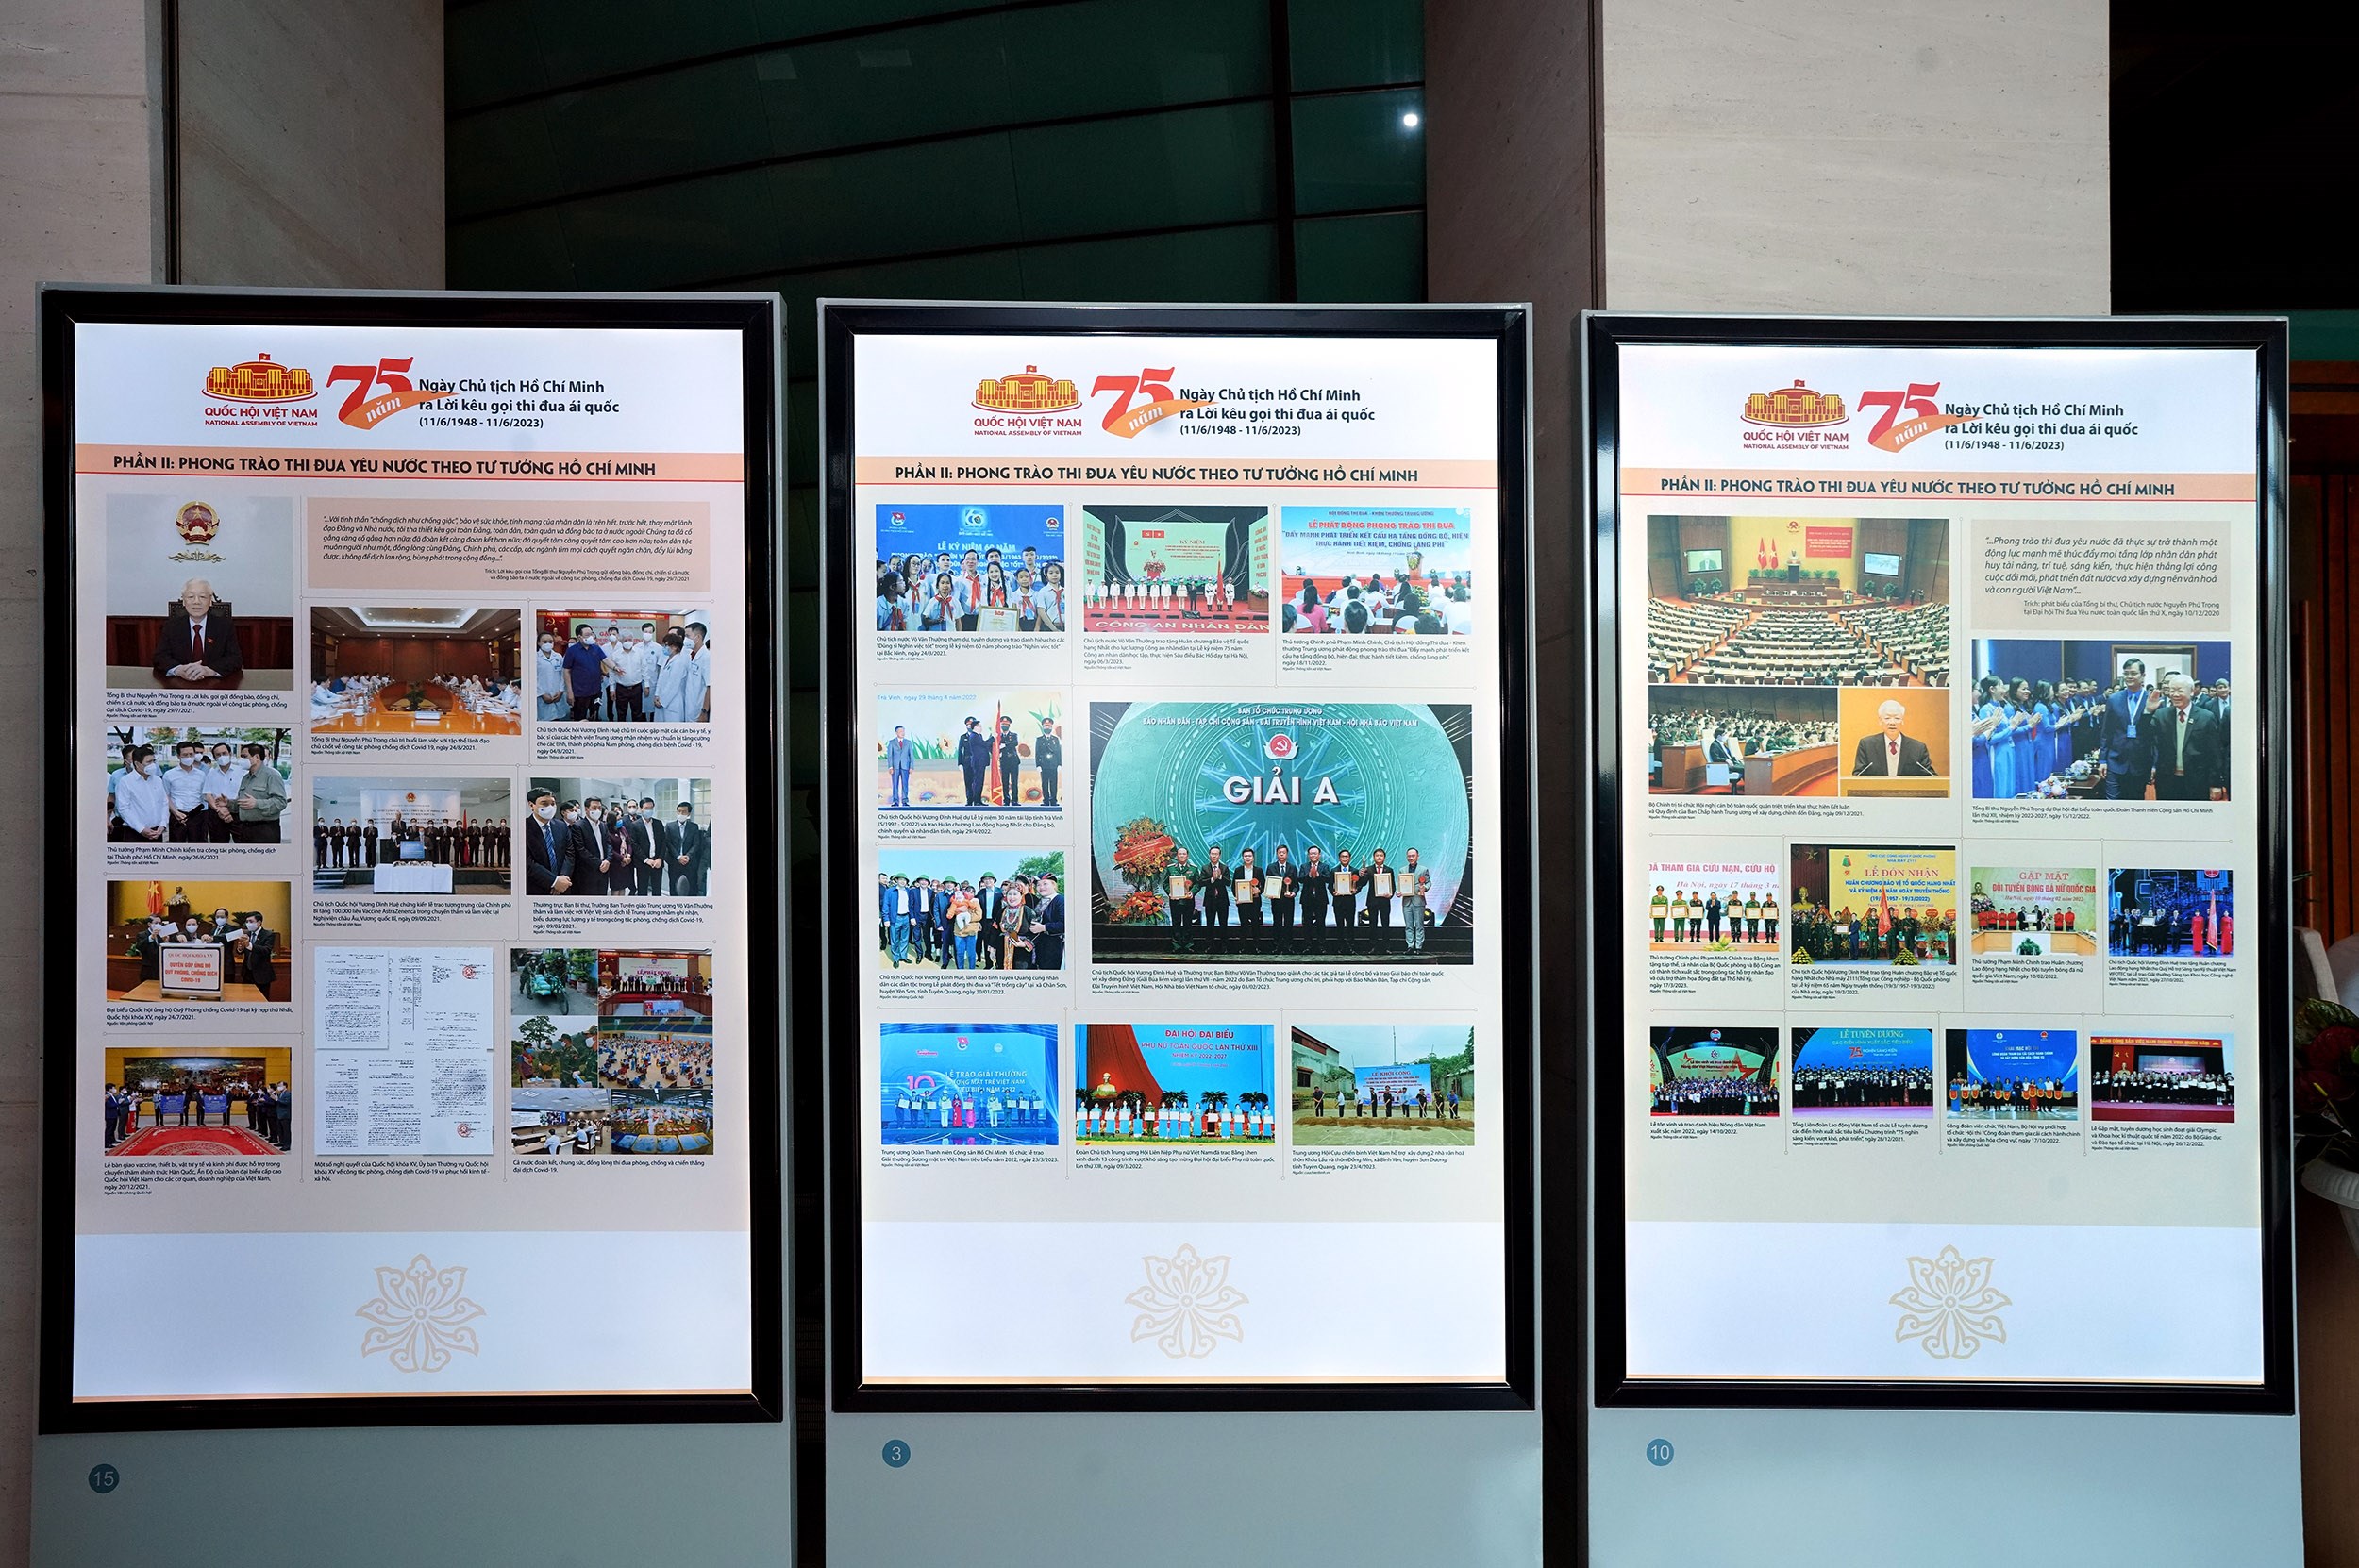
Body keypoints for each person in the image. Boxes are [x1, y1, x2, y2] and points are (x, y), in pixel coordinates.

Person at [2153, 672, 2229, 801]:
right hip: (2167, 779)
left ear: (2192, 691)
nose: (2175, 694)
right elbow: (2147, 739)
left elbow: (2214, 753)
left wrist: (2215, 783)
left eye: (2180, 690)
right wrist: (2147, 713)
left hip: (2198, 780)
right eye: (2172, 690)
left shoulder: (2206, 717)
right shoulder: (2161, 715)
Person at [152, 578, 243, 680]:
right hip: (180, 684)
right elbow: (159, 657)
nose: (196, 602)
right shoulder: (171, 626)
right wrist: (178, 669)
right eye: (191, 597)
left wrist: (209, 670)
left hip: (215, 684)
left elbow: (235, 659)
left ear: (210, 601)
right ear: (184, 601)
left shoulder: (224, 626)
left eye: (202, 597)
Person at [2100, 658, 2163, 799]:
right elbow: (2106, 732)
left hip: (2141, 762)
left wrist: (2155, 764)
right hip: (2115, 760)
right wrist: (2102, 760)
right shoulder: (2114, 699)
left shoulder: (2152, 700)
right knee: (2112, 804)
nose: (2129, 677)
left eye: (2133, 673)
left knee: (2135, 802)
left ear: (2143, 675)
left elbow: (2156, 737)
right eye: (2126, 673)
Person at [1851, 698, 1936, 777]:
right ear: (1880, 720)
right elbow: (1858, 776)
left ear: (1902, 721)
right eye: (1887, 718)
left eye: (1897, 718)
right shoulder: (1867, 745)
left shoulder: (1918, 748)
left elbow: (1931, 777)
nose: (1892, 722)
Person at [229, 744, 287, 843]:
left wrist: (256, 803)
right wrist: (228, 803)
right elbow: (243, 803)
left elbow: (281, 802)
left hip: (265, 830)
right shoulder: (246, 778)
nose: (241, 760)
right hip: (245, 829)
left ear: (256, 757)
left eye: (244, 756)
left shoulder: (272, 775)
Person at [110, 745, 168, 842]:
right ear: (137, 764)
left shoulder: (157, 780)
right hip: (134, 833)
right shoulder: (126, 782)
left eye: (153, 761)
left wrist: (163, 824)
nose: (153, 765)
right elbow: (123, 808)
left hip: (157, 832)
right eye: (149, 762)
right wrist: (141, 829)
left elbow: (164, 803)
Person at [524, 788, 575, 894]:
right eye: (544, 803)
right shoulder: (524, 827)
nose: (550, 807)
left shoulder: (561, 826)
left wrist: (562, 880)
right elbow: (526, 861)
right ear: (532, 805)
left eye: (552, 803)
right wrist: (553, 881)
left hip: (563, 886)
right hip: (537, 888)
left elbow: (569, 853)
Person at [163, 741, 213, 842]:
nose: (189, 757)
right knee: (176, 846)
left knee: (198, 846)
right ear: (178, 756)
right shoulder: (169, 775)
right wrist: (175, 812)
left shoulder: (201, 774)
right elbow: (166, 796)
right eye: (185, 755)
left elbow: (206, 794)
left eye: (191, 754)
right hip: (178, 814)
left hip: (198, 815)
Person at [560, 623, 608, 721]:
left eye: (591, 634)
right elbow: (566, 671)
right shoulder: (572, 651)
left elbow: (606, 660)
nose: (591, 636)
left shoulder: (596, 648)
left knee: (595, 716)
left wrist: (615, 668)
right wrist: (569, 691)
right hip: (580, 692)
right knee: (580, 719)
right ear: (579, 637)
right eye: (587, 635)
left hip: (596, 690)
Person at [241, 910, 279, 1000]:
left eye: (251, 921)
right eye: (247, 921)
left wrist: (249, 945)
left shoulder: (268, 934)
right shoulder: (246, 934)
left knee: (261, 1000)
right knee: (246, 1000)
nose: (248, 924)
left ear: (259, 923)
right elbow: (242, 951)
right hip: (247, 973)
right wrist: (240, 949)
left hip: (261, 975)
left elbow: (266, 950)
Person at [1199, 846, 1231, 954]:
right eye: (1212, 854)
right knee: (1210, 924)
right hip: (1210, 900)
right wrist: (1212, 879)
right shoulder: (1205, 868)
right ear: (1209, 855)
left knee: (1223, 924)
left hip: (1222, 900)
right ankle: (1210, 946)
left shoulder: (1224, 867)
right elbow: (1201, 882)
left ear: (1219, 855)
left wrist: (1220, 876)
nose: (1214, 856)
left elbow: (1228, 882)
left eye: (1216, 854)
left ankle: (1224, 946)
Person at [1165, 846, 1197, 952]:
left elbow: (1198, 883)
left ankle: (1188, 946)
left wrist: (1192, 892)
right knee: (1176, 923)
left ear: (1187, 856)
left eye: (1184, 854)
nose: (1182, 856)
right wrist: (1170, 892)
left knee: (1188, 923)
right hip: (1175, 901)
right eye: (1180, 854)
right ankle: (1177, 946)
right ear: (1177, 856)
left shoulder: (1194, 868)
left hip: (1188, 900)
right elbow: (1165, 883)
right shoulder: (1170, 868)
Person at [957, 716, 991, 807]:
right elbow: (960, 750)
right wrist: (960, 763)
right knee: (968, 781)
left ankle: (977, 800)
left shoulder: (979, 736)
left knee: (977, 781)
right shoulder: (963, 737)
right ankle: (969, 800)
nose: (969, 726)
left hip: (976, 761)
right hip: (967, 761)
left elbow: (982, 747)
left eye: (970, 724)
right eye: (968, 724)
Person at [1032, 875, 1065, 969]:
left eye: (1045, 884)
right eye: (1038, 885)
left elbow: (1064, 924)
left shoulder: (1061, 901)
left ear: (1054, 885)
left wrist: (1044, 927)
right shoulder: (1040, 902)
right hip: (1041, 945)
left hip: (1055, 946)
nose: (1041, 887)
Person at [1232, 849, 1263, 948]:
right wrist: (1237, 896)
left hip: (1255, 901)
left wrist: (1259, 890)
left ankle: (1256, 946)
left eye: (1250, 856)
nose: (1248, 858)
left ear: (1253, 858)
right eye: (1246, 856)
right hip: (1242, 902)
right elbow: (1234, 886)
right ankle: (1243, 947)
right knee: (1243, 924)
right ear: (1243, 858)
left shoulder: (1258, 870)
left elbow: (1263, 884)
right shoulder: (1238, 870)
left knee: (1255, 924)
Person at [1267, 844, 1296, 950]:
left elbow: (1296, 885)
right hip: (1276, 900)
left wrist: (1293, 893)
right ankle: (1276, 945)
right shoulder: (1271, 867)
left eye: (1284, 852)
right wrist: (1269, 893)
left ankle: (1289, 946)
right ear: (1277, 854)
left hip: (1289, 900)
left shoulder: (1292, 867)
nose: (1282, 854)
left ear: (1287, 854)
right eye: (1280, 852)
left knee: (1289, 923)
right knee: (1277, 922)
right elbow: (1268, 882)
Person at [1299, 845, 1330, 944]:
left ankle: (1321, 944)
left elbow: (1328, 879)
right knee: (1307, 923)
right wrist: (1309, 875)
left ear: (1319, 855)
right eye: (1311, 853)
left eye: (1315, 853)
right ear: (1308, 855)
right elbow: (1300, 879)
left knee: (1321, 922)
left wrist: (1318, 875)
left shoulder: (1324, 866)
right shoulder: (1304, 866)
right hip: (1307, 899)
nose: (1313, 855)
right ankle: (1308, 944)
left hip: (1321, 899)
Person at [995, 715, 1024, 807]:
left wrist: (1005, 745)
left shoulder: (1013, 735)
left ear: (1009, 725)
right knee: (1005, 781)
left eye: (1006, 725)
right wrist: (997, 752)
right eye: (1003, 724)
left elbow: (1015, 743)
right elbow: (992, 747)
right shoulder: (998, 736)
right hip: (1004, 761)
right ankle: (1006, 800)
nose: (1005, 726)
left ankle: (1015, 800)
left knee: (1014, 781)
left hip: (1013, 761)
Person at [884, 725, 914, 808]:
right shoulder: (892, 742)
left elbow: (911, 756)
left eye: (903, 731)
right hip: (895, 767)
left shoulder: (908, 742)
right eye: (901, 731)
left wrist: (911, 767)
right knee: (895, 784)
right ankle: (895, 801)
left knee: (905, 784)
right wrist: (890, 767)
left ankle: (905, 801)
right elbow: (890, 756)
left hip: (905, 767)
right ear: (896, 733)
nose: (902, 733)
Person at [1035, 717, 1062, 808]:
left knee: (1053, 783)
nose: (1047, 728)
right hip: (1044, 765)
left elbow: (1058, 752)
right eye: (1045, 726)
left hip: (1053, 764)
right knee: (1044, 784)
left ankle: (1053, 800)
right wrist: (1038, 765)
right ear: (1043, 727)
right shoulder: (1039, 739)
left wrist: (1059, 764)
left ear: (1051, 727)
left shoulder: (1055, 739)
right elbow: (1037, 753)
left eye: (1049, 726)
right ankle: (1046, 801)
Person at [1366, 847, 1395, 933]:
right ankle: (1373, 941)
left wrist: (1390, 895)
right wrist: (1362, 875)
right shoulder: (1368, 869)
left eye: (1381, 855)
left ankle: (1386, 941)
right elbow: (1363, 883)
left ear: (1384, 858)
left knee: (1385, 923)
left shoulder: (1389, 870)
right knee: (1372, 924)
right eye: (1377, 855)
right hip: (1372, 901)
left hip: (1385, 900)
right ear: (1373, 857)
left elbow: (1393, 886)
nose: (1379, 857)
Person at [1331, 849, 1358, 935]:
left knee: (1350, 924)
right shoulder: (1334, 870)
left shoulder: (1355, 871)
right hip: (1338, 901)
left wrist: (1355, 890)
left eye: (1346, 856)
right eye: (1342, 856)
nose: (1344, 858)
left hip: (1350, 901)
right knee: (1339, 925)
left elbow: (1359, 885)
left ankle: (1350, 942)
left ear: (1350, 858)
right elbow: (1330, 885)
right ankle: (1340, 942)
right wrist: (1333, 892)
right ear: (1339, 858)